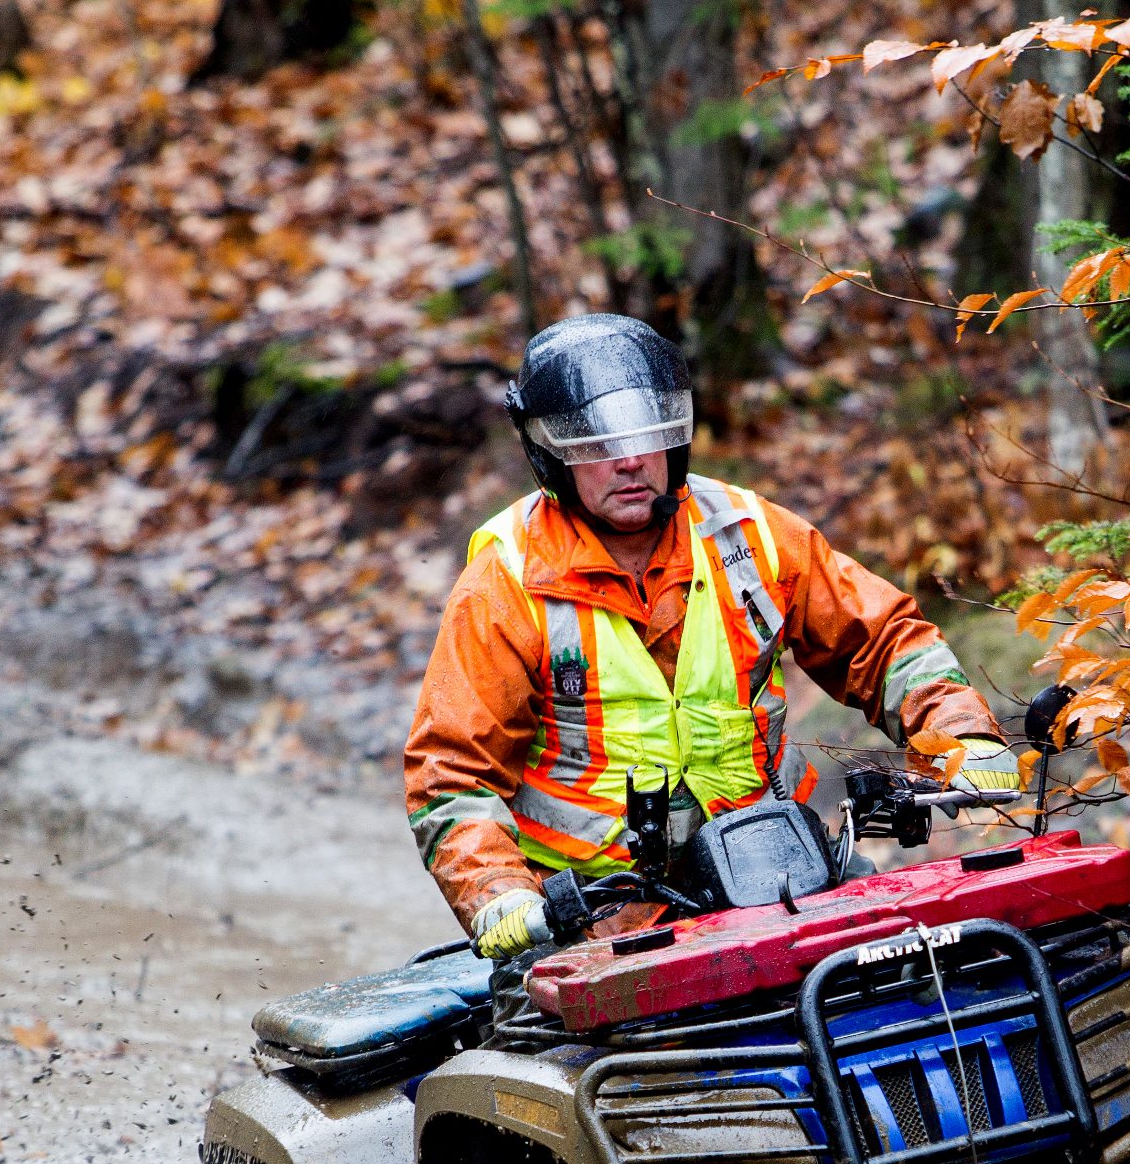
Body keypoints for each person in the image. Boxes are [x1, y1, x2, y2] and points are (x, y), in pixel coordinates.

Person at [404, 312, 1019, 961]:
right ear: (549, 451)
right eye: (599, 443)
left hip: (782, 874)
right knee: (600, 1061)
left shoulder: (750, 534)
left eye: (649, 435)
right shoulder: (506, 578)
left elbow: (884, 638)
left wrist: (960, 732)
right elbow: (451, 771)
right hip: (596, 916)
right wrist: (498, 892)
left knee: (928, 972)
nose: (633, 460)